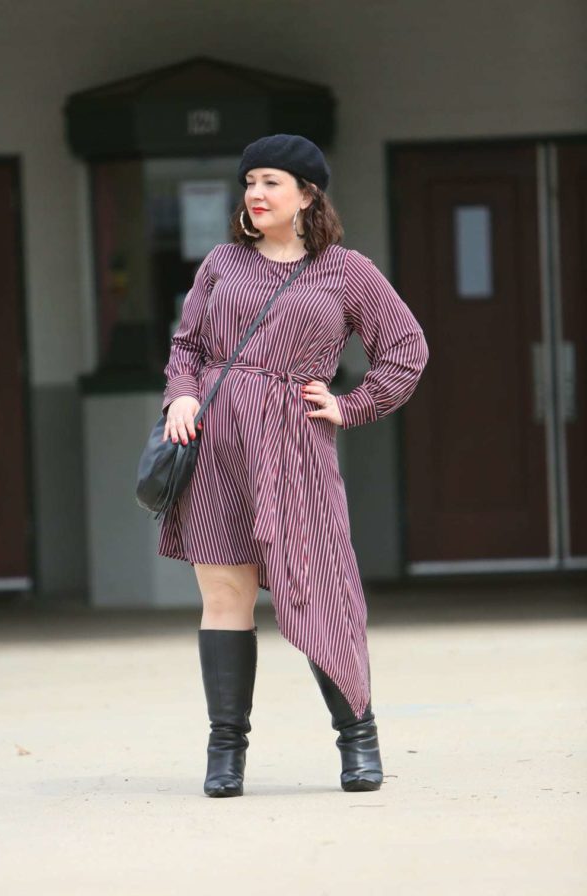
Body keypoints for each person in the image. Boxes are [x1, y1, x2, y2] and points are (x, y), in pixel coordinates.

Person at [158, 133, 429, 797]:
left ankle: (357, 736)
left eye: (271, 182)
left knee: (322, 590)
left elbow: (406, 349)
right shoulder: (222, 262)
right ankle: (227, 753)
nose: (255, 194)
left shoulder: (347, 271)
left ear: (308, 194)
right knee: (224, 597)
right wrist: (182, 395)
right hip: (217, 444)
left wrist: (352, 405)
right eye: (249, 182)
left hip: (294, 444)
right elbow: (187, 344)